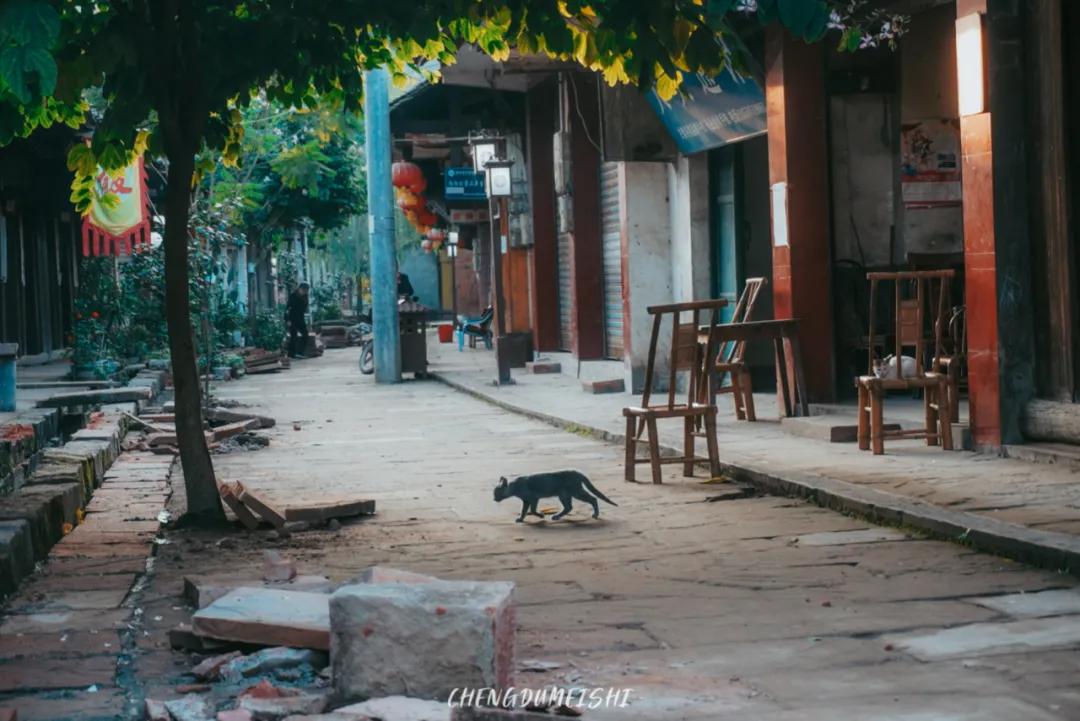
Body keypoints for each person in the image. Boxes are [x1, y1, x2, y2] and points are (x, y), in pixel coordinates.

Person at [285, 282, 310, 358]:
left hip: (300, 318)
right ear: (300, 289)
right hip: (292, 318)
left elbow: (305, 307)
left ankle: (300, 352)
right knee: (293, 336)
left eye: (306, 290)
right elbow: (287, 309)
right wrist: (288, 320)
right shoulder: (293, 296)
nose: (305, 292)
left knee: (305, 334)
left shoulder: (305, 296)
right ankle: (291, 353)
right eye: (303, 290)